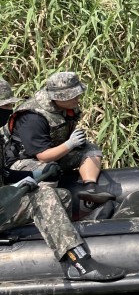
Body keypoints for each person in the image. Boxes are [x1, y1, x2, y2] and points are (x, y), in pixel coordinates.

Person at [0, 77, 126, 281]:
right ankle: (78, 262)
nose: (9, 110)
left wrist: (29, 177)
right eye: (5, 106)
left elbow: (4, 174)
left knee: (64, 197)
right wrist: (18, 187)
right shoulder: (32, 117)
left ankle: (82, 218)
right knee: (44, 196)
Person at [3, 71, 114, 204]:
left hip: (54, 154)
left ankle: (90, 189)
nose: (78, 97)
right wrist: (69, 145)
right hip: (22, 162)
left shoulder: (67, 108)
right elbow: (43, 156)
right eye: (73, 95)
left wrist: (75, 142)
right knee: (49, 170)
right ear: (59, 97)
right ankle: (45, 204)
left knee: (90, 149)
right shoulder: (32, 117)